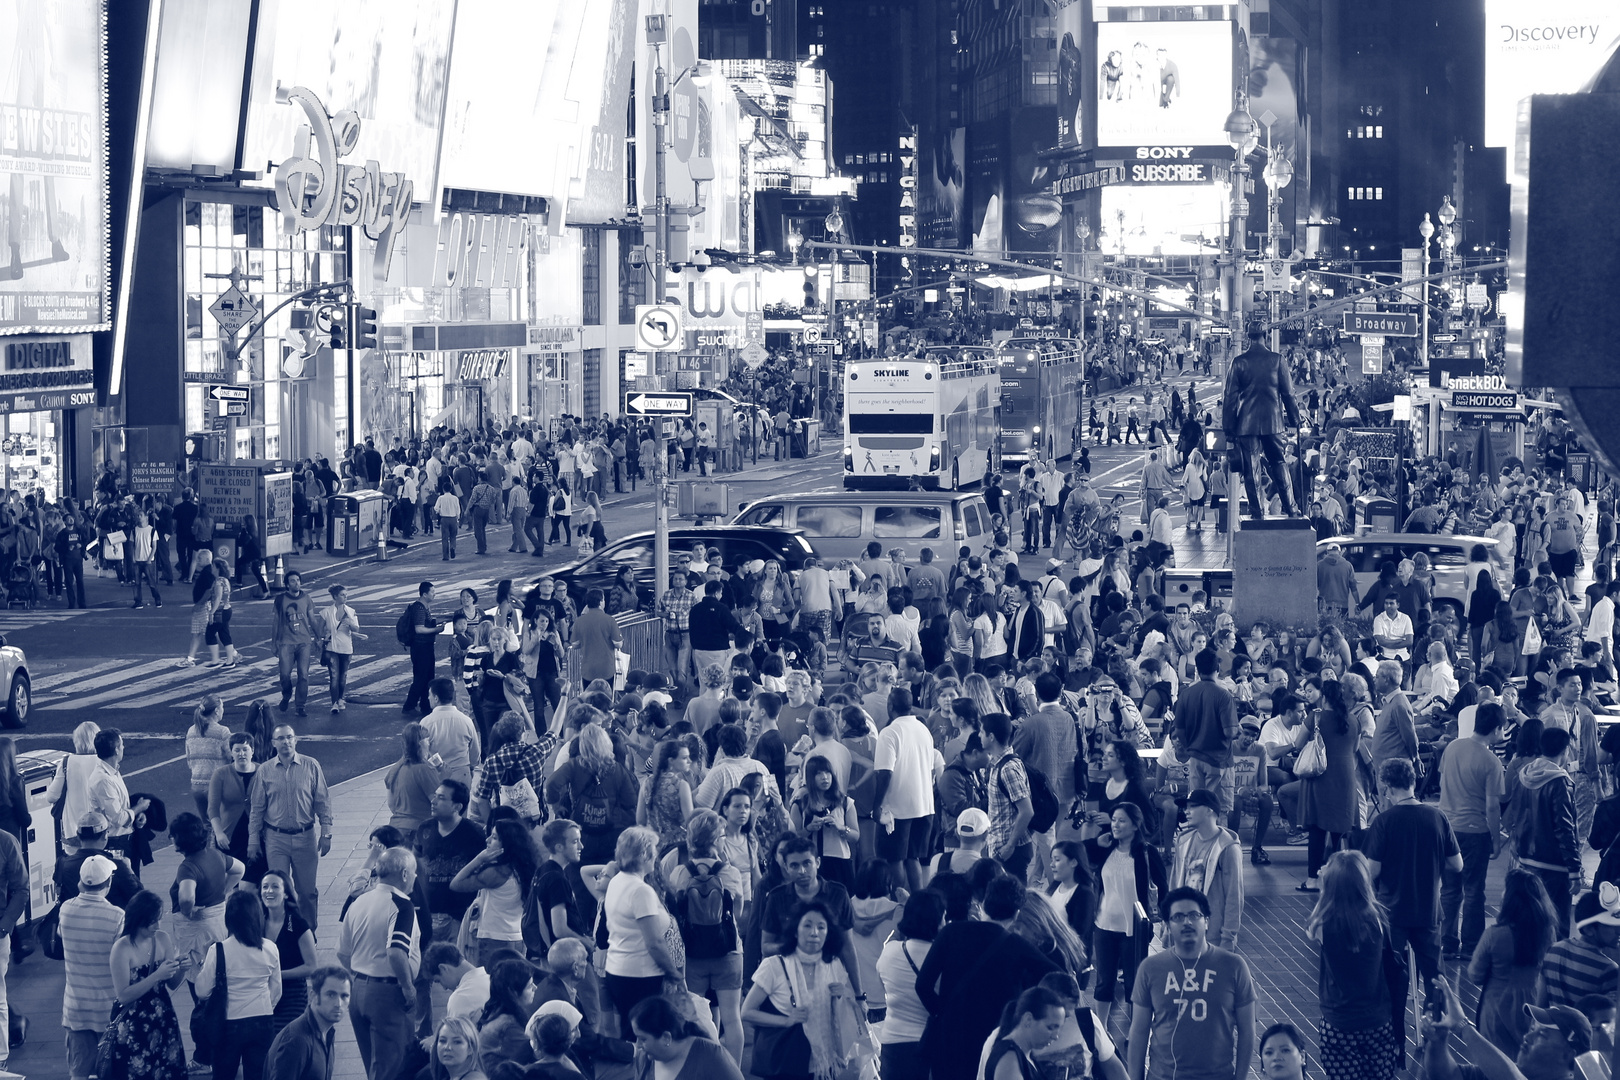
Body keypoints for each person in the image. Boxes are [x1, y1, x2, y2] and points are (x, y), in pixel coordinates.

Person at [916, 876, 1058, 1080]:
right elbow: (1054, 975)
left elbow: (922, 985)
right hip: (992, 1039)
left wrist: (943, 1012)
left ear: (983, 903)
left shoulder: (950, 933)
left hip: (951, 1037)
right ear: (1017, 914)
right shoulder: (1017, 946)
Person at [1127, 886, 1255, 1080]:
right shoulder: (1150, 969)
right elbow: (1138, 1032)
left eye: (1194, 915)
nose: (1187, 922)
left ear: (1207, 922)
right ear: (1167, 926)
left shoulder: (1234, 966)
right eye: (1178, 917)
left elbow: (1247, 1032)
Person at [1364, 757, 1461, 994]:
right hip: (1429, 910)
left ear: (1387, 786)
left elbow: (1372, 870)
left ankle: (1394, 1026)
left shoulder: (1384, 821)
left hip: (1393, 912)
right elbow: (1457, 864)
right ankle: (1437, 1023)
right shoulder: (1438, 817)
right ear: (1413, 782)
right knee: (1436, 978)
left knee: (1392, 977)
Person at [743, 899, 864, 1080]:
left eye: (821, 927)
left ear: (828, 933)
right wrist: (786, 1020)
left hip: (823, 1064)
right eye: (807, 926)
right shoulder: (774, 966)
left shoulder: (834, 966)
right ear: (795, 931)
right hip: (785, 1062)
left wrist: (843, 997)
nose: (814, 933)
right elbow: (746, 1012)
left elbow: (842, 1018)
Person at [1308, 852, 1399, 1080]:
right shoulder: (1377, 919)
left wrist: (1322, 887)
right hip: (1377, 1019)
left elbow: (1312, 926)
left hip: (1338, 1022)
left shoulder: (1323, 925)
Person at [336, 846, 420, 1080]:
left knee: (374, 1067)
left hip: (359, 990)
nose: (416, 877)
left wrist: (361, 979)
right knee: (394, 1070)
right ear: (404, 874)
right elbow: (395, 951)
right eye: (414, 872)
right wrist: (407, 987)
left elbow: (342, 953)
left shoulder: (359, 902)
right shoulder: (402, 904)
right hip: (388, 994)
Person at [1084, 802, 1166, 1027]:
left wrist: (1167, 919)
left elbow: (1163, 886)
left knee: (1133, 982)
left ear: (1135, 825)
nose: (1115, 825)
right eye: (1113, 820)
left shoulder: (1146, 853)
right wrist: (1094, 842)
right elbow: (1075, 854)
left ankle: (1135, 1029)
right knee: (1104, 981)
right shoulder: (1106, 848)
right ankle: (1101, 1029)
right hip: (1104, 924)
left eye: (1121, 820)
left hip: (1134, 928)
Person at [1421, 973, 1590, 1080]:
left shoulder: (1505, 1072)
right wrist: (1438, 1042)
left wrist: (1463, 1025)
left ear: (1568, 1055)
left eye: (1542, 1035)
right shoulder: (1504, 1070)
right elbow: (1447, 1075)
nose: (1527, 1037)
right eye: (1532, 1029)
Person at [1439, 700, 1508, 962]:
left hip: (1447, 828)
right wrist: (1496, 839)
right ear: (1498, 729)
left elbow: (1442, 778)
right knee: (1473, 890)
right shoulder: (1491, 762)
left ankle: (1446, 944)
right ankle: (1470, 947)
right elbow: (1492, 807)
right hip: (1475, 831)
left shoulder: (1453, 747)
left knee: (1449, 889)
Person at [601, 826, 686, 1035]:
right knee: (647, 1037)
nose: (656, 855)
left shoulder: (617, 881)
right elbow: (654, 943)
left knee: (631, 1034)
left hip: (618, 971)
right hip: (641, 977)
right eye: (654, 849)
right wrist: (674, 974)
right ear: (644, 854)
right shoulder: (641, 891)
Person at [248, 725, 332, 930]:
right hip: (276, 839)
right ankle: (282, 932)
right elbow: (257, 808)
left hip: (306, 837)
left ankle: (309, 932)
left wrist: (326, 832)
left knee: (307, 891)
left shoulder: (311, 765)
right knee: (277, 889)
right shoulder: (265, 770)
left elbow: (322, 800)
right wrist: (253, 840)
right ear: (273, 743)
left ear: (296, 740)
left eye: (289, 737)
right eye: (281, 739)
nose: (286, 742)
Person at [195, 891, 284, 1080]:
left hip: (228, 1023)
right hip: (263, 1020)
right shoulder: (270, 948)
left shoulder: (218, 950)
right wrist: (266, 1006)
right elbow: (276, 990)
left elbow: (201, 992)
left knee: (224, 1075)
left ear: (229, 918)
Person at [1470, 868, 1558, 1058]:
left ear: (1510, 897)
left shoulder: (1494, 934)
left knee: (1495, 1063)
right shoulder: (1548, 932)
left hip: (1496, 1007)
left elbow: (1475, 974)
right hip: (1533, 1004)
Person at [104, 889, 190, 1080]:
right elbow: (123, 995)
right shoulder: (121, 948)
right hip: (134, 1024)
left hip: (163, 1020)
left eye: (158, 919)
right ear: (138, 919)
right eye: (152, 921)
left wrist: (182, 968)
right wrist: (156, 976)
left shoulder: (162, 939)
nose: (157, 926)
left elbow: (172, 984)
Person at [1508, 727, 1583, 938]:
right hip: (1554, 865)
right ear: (1566, 750)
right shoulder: (1560, 782)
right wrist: (1575, 869)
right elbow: (1565, 828)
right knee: (1556, 924)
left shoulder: (1523, 775)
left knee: (1530, 921)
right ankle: (1553, 966)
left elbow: (1515, 814)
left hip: (1525, 859)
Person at [62, 855, 125, 1079]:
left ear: (81, 882)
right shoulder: (117, 916)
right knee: (110, 1071)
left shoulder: (65, 910)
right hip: (107, 1010)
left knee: (79, 1072)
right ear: (108, 883)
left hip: (76, 1008)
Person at [875, 889, 945, 1080]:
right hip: (929, 1044)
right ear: (938, 920)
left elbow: (882, 985)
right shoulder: (943, 956)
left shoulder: (889, 952)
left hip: (892, 1044)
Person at [451, 817, 541, 963]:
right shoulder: (525, 870)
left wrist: (479, 859)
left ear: (506, 844)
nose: (487, 840)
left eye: (493, 837)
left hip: (493, 939)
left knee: (490, 984)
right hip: (518, 937)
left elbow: (456, 884)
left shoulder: (496, 873)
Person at [170, 811, 244, 987]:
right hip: (219, 923)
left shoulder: (187, 867)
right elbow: (239, 869)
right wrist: (225, 890)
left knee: (199, 978)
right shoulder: (215, 855)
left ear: (180, 839)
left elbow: (186, 897)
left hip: (196, 931)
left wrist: (188, 911)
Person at [1297, 680, 1359, 891]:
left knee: (1317, 828)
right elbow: (1356, 747)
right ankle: (1340, 879)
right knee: (1340, 829)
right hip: (1346, 777)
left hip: (1321, 776)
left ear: (1324, 696)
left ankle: (1313, 879)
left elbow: (1298, 744)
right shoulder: (1353, 719)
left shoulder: (1316, 717)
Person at [1168, 789, 1245, 948]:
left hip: (1212, 935)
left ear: (1210, 810)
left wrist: (1228, 936)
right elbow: (1174, 884)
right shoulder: (1183, 841)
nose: (1186, 811)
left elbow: (1234, 895)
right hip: (1184, 929)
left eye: (1193, 807)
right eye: (1185, 807)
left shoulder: (1227, 848)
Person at [1175, 649, 1240, 818]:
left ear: (1197, 669)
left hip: (1196, 759)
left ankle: (1199, 844)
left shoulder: (1186, 694)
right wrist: (1238, 729)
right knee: (1218, 812)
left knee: (1196, 809)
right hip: (1220, 760)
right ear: (1217, 669)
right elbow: (1230, 731)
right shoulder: (1224, 695)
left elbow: (1179, 730)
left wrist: (1190, 746)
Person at [263, 966, 352, 1080]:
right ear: (313, 996)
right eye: (331, 995)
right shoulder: (297, 1039)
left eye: (344, 996)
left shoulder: (327, 1031)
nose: (338, 1004)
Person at [628, 993, 744, 1080]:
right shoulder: (644, 1059)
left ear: (666, 1037)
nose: (638, 1045)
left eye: (643, 1039)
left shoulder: (713, 1056)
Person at [260, 869, 318, 1035]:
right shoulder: (256, 922)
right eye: (265, 887)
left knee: (285, 1038)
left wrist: (277, 975)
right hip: (262, 993)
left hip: (292, 995)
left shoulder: (299, 925)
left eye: (275, 887)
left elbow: (311, 967)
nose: (269, 891)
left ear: (286, 894)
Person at [1541, 887, 1620, 1009]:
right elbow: (1610, 1021)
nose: (1618, 931)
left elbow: (1541, 1003)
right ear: (1589, 929)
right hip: (1585, 1028)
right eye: (1612, 925)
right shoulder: (1608, 970)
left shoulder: (1554, 950)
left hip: (1553, 1026)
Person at [986, 986, 1069, 1080]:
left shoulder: (1026, 1055)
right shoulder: (1009, 1058)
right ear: (1028, 1019)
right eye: (1050, 1028)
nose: (1056, 1036)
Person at [272, 571, 320, 718]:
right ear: (287, 584)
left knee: (303, 675)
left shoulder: (307, 598)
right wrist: (274, 643)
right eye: (292, 581)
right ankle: (286, 695)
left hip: (304, 642)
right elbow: (275, 623)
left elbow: (312, 619)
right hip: (286, 642)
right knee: (285, 674)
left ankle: (300, 705)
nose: (296, 583)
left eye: (298, 580)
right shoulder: (280, 600)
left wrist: (319, 637)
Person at [421, 677, 481, 790]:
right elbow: (475, 752)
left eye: (429, 694)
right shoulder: (466, 721)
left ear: (436, 698)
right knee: (461, 807)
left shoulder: (426, 723)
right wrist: (471, 767)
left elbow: (422, 754)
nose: (428, 698)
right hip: (462, 773)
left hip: (436, 774)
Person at [211, 734, 260, 868]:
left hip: (256, 836)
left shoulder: (263, 771)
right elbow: (213, 809)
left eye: (245, 749)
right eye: (237, 750)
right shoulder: (220, 774)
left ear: (252, 751)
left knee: (253, 883)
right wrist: (219, 833)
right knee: (230, 879)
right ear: (231, 752)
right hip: (229, 836)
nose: (241, 754)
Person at [385, 722, 442, 833]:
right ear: (420, 744)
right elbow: (438, 803)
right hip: (420, 830)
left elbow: (392, 805)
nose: (430, 744)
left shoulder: (394, 769)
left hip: (396, 829)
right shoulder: (425, 770)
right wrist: (444, 778)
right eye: (427, 740)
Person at [320, 585, 365, 713]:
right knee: (334, 676)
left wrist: (350, 623)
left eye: (346, 594)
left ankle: (340, 698)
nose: (345, 597)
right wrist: (323, 637)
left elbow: (356, 628)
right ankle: (334, 703)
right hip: (331, 648)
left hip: (346, 648)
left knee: (343, 675)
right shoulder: (326, 612)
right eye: (342, 595)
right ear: (335, 597)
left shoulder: (351, 611)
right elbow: (319, 630)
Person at [186, 695, 232, 820]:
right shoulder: (222, 731)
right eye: (222, 707)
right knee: (223, 825)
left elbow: (189, 760)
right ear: (217, 710)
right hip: (217, 786)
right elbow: (231, 757)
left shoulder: (191, 730)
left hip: (197, 786)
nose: (223, 710)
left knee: (207, 825)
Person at [403, 583, 443, 717]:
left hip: (426, 645)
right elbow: (419, 629)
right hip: (420, 647)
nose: (434, 594)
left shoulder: (424, 606)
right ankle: (410, 705)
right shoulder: (419, 608)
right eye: (432, 592)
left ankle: (426, 705)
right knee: (421, 677)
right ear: (424, 594)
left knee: (428, 676)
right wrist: (437, 630)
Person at [573, 589, 622, 688]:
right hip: (606, 668)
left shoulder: (579, 621)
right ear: (600, 602)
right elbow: (618, 643)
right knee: (606, 698)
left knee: (589, 698)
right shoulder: (610, 620)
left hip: (587, 669)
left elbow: (574, 644)